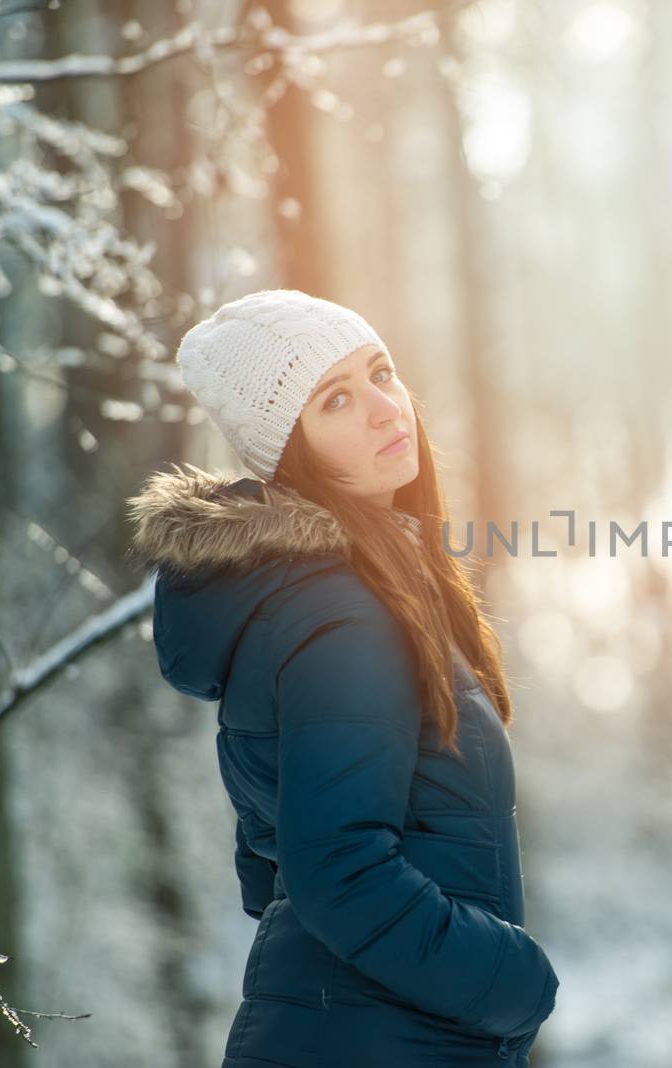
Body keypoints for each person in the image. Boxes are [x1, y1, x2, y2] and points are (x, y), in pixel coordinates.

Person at [123, 289, 558, 1067]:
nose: (387, 409)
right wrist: (510, 981)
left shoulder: (320, 594)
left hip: (360, 1024)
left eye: (381, 373)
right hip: (383, 1036)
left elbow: (270, 855)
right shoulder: (343, 615)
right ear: (290, 451)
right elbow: (335, 871)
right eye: (337, 401)